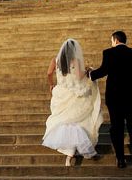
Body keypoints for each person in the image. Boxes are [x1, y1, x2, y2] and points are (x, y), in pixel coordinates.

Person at [88, 31, 132, 169]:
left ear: (115, 40)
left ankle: (120, 159)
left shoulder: (109, 53)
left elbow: (103, 71)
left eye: (111, 41)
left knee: (117, 127)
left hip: (115, 97)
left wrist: (89, 74)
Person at [42, 38, 103, 166]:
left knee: (65, 121)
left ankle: (69, 153)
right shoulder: (75, 60)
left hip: (60, 93)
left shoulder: (55, 60)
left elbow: (49, 73)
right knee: (75, 121)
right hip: (73, 93)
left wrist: (51, 84)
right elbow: (80, 76)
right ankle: (72, 152)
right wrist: (88, 70)